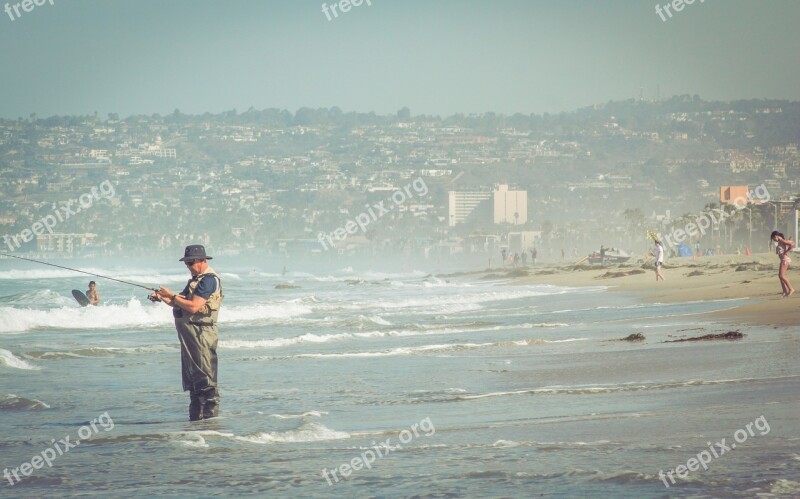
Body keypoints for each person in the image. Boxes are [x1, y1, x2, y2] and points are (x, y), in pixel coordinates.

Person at [151, 245, 224, 421]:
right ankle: (197, 424)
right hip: (190, 337)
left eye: (191, 262)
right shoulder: (195, 280)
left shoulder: (208, 281)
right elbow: (181, 302)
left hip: (201, 336)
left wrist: (173, 296)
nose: (189, 266)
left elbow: (193, 306)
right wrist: (162, 297)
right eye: (187, 263)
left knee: (205, 382)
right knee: (193, 383)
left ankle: (209, 425)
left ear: (203, 261)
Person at [770, 231, 794, 297]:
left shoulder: (781, 240)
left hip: (785, 260)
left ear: (775, 236)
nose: (774, 240)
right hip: (783, 260)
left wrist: (787, 251)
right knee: (780, 276)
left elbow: (791, 244)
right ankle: (785, 291)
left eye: (773, 239)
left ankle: (791, 289)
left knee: (782, 276)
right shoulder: (780, 241)